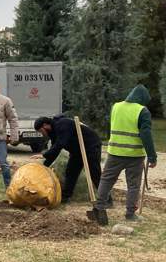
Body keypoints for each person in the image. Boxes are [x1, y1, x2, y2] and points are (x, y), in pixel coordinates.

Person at [89, 85, 158, 225]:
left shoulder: (116, 106)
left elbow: (110, 126)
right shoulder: (142, 111)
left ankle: (99, 208)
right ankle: (130, 213)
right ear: (142, 99)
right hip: (135, 155)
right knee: (133, 185)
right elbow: (146, 134)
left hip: (115, 153)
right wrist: (152, 156)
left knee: (106, 180)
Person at [33, 115, 102, 204]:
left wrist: (44, 155)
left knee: (94, 173)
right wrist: (44, 167)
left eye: (40, 131)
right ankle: (65, 197)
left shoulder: (62, 124)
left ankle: (106, 199)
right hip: (77, 151)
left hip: (90, 146)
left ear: (45, 125)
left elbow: (60, 144)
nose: (41, 134)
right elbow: (55, 151)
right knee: (71, 172)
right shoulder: (53, 132)